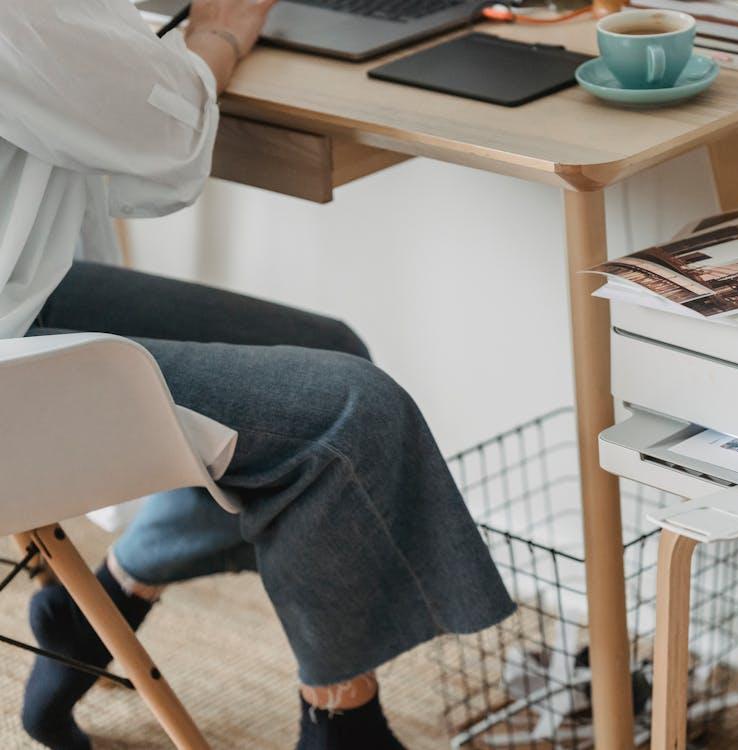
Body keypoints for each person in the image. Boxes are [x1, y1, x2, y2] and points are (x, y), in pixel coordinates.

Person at [0, 1, 516, 748]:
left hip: (19, 292)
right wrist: (222, 30)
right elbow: (162, 133)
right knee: (348, 414)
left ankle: (99, 605)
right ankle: (342, 722)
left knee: (324, 347)